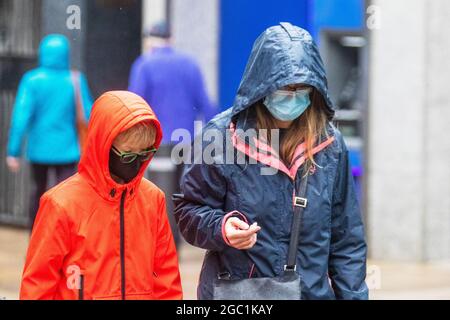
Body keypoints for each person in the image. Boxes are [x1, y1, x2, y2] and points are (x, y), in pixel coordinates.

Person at [173, 23, 368, 300]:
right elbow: (189, 210)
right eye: (285, 88)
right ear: (262, 85)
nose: (294, 97)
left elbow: (346, 240)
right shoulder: (220, 138)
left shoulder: (331, 145)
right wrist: (222, 228)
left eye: (303, 89)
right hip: (239, 295)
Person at [20, 91, 182, 300]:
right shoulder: (60, 204)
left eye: (145, 154)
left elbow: (166, 279)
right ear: (103, 146)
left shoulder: (153, 199)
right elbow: (38, 285)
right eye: (128, 155)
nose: (137, 162)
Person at [128, 22, 217, 248]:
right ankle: (181, 239)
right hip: (186, 141)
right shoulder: (189, 64)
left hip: (158, 142)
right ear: (171, 38)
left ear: (150, 39)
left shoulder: (144, 64)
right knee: (183, 193)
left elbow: (134, 104)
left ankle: (166, 246)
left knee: (162, 195)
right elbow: (205, 104)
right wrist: (217, 136)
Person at [6, 34, 93, 230]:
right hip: (69, 150)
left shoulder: (32, 80)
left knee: (38, 193)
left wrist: (14, 151)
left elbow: (21, 117)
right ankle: (64, 236)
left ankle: (36, 236)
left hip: (39, 150)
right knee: (67, 196)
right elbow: (88, 114)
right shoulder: (76, 80)